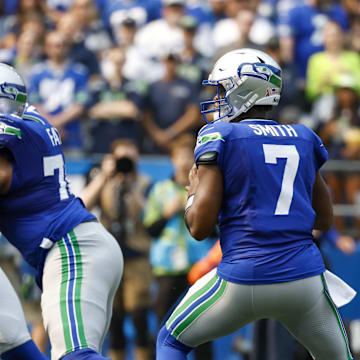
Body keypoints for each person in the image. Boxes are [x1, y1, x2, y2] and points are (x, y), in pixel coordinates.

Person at [156, 48, 354, 360]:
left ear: (244, 89)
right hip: (304, 281)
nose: (217, 98)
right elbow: (325, 221)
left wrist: (193, 191)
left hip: (244, 278)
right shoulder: (302, 136)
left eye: (222, 89)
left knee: (170, 342)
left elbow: (198, 227)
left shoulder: (222, 135)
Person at [0, 63, 123, 359]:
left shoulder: (12, 131)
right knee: (10, 342)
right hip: (77, 246)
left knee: (75, 356)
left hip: (70, 249)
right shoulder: (30, 119)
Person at [144, 134, 215, 360]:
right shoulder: (160, 190)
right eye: (179, 156)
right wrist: (167, 213)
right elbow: (150, 230)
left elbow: (214, 229)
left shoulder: (206, 189)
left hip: (199, 267)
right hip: (167, 268)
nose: (184, 162)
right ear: (172, 159)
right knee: (165, 324)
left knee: (205, 327)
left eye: (189, 157)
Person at [81, 139, 153, 360]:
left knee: (140, 316)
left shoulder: (145, 182)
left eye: (129, 158)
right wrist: (105, 176)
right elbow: (83, 205)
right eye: (120, 157)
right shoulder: (100, 178)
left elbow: (150, 215)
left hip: (136, 257)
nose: (124, 162)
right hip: (108, 258)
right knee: (114, 320)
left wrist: (131, 187)